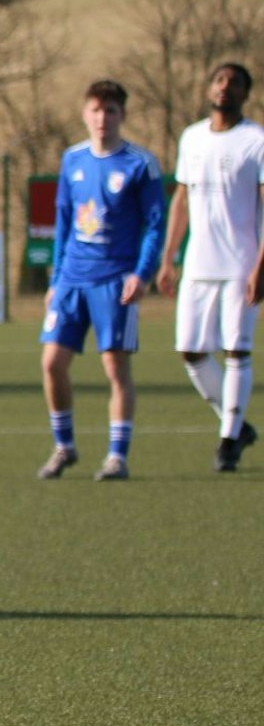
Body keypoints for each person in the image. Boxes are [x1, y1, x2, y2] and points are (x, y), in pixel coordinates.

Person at [34, 82, 165, 481]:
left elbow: (155, 225)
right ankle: (64, 446)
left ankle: (117, 456)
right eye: (95, 110)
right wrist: (56, 279)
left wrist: (142, 274)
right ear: (84, 113)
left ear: (122, 115)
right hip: (73, 277)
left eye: (110, 111)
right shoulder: (72, 159)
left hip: (114, 279)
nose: (102, 118)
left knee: (115, 367)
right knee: (52, 363)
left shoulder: (141, 164)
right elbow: (63, 222)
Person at [156, 63, 264, 471]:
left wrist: (260, 267)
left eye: (234, 83)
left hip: (242, 263)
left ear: (245, 93)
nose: (225, 87)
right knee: (191, 352)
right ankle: (236, 425)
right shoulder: (192, 137)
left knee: (238, 349)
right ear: (209, 88)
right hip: (199, 264)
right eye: (219, 80)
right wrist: (169, 259)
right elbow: (181, 200)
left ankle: (228, 442)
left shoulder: (256, 141)